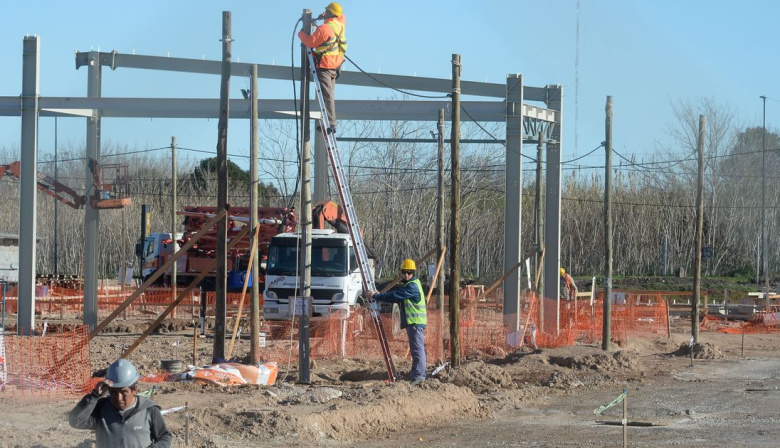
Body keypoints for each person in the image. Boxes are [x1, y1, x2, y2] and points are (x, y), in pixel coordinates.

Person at [69, 358, 172, 448]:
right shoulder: (102, 408)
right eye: (114, 392)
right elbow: (75, 421)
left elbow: (164, 437)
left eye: (124, 392)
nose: (119, 398)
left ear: (134, 389)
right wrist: (94, 396)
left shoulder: (149, 410)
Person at [368, 258, 427, 385]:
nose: (406, 275)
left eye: (409, 272)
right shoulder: (410, 284)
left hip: (415, 322)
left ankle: (419, 376)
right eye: (404, 272)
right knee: (416, 350)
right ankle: (417, 374)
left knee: (417, 350)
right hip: (414, 322)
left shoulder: (412, 286)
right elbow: (397, 295)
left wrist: (377, 296)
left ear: (414, 273)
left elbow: (396, 295)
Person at [298, 2, 347, 135]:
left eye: (327, 11)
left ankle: (331, 123)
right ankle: (327, 122)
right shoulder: (340, 25)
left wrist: (301, 33)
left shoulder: (325, 28)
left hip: (325, 65)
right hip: (336, 65)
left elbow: (310, 42)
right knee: (328, 94)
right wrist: (324, 17)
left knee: (326, 95)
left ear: (330, 13)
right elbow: (341, 16)